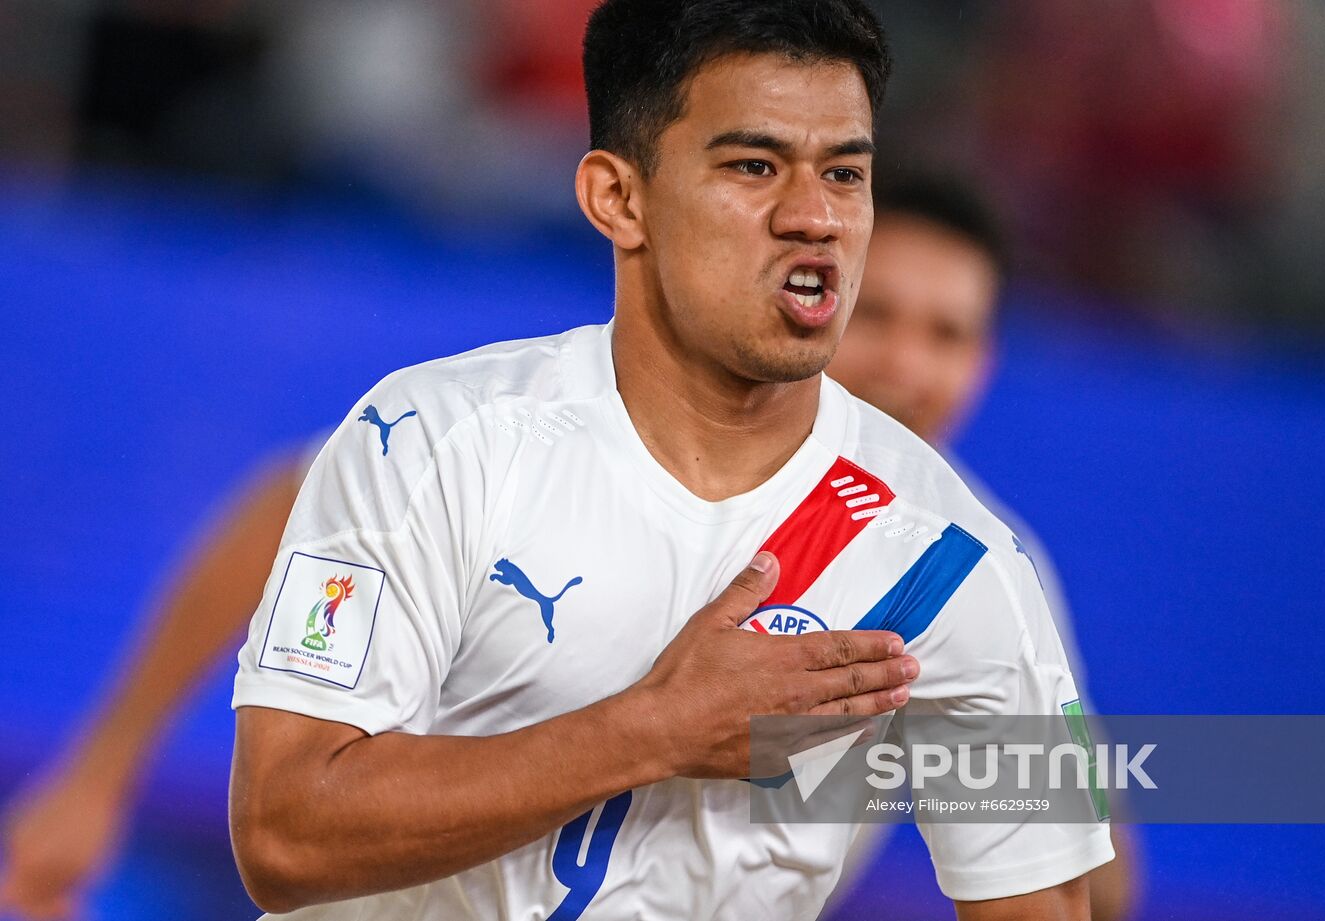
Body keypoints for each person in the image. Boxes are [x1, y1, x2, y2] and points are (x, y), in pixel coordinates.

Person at [0, 5, 1113, 915]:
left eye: (844, 177)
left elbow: (1076, 882)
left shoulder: (963, 570)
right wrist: (655, 730)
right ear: (616, 198)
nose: (812, 220)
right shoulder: (439, 442)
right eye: (753, 166)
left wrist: (1029, 791)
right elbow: (284, 831)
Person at [822, 174, 1139, 921]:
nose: (904, 365)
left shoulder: (981, 565)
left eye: (947, 335)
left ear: (982, 364)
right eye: (875, 314)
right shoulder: (682, 468)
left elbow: (1099, 879)